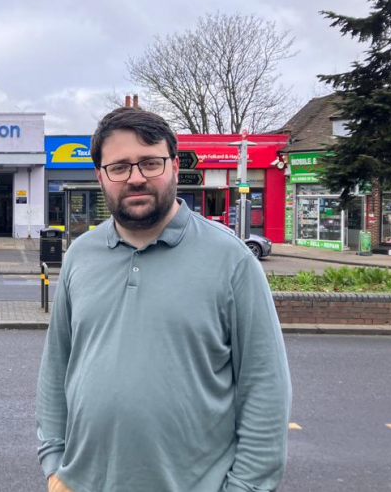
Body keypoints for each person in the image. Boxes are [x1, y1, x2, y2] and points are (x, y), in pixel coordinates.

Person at [36, 107, 291, 492]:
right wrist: (55, 465)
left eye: (150, 163)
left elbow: (266, 389)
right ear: (100, 176)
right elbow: (57, 367)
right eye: (119, 167)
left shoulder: (232, 261)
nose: (136, 177)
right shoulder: (80, 256)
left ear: (174, 165)